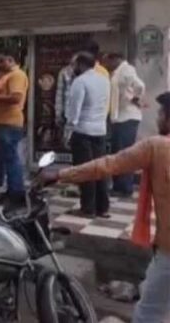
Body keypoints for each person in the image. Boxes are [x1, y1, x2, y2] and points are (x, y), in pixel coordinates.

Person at [41, 92, 170, 323]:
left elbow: (109, 165)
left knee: (149, 312)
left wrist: (60, 174)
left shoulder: (157, 147)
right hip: (164, 249)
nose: (157, 118)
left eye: (161, 113)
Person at [66, 52, 111, 218]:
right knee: (100, 170)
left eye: (74, 64)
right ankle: (102, 207)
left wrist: (68, 130)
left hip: (83, 131)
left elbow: (74, 110)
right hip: (100, 130)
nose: (72, 68)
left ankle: (87, 208)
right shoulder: (104, 79)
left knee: (85, 171)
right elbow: (106, 104)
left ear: (81, 64)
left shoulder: (80, 81)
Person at [0, 49, 29, 205]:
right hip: (2, 123)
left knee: (12, 159)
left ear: (11, 60)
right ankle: (12, 190)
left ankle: (16, 193)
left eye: (1, 61)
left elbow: (16, 97)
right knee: (8, 159)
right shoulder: (6, 76)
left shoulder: (17, 75)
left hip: (9, 123)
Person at [104, 52, 146, 197]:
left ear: (116, 59)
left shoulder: (126, 70)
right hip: (120, 118)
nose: (106, 65)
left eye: (108, 61)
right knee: (118, 152)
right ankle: (119, 186)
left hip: (127, 117)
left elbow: (140, 86)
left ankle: (125, 188)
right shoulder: (118, 71)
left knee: (124, 153)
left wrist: (133, 98)